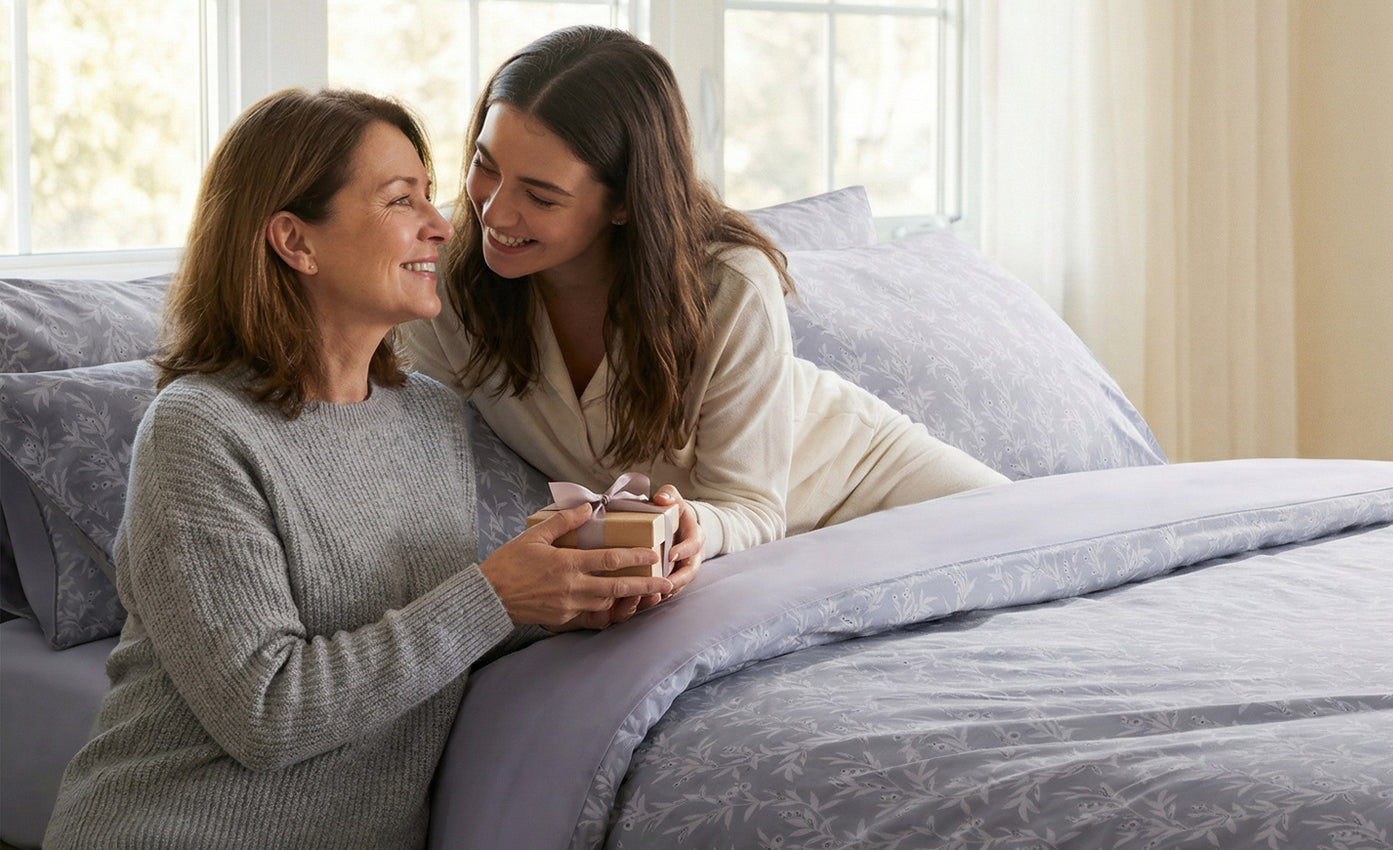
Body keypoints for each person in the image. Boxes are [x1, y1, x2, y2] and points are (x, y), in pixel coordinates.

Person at [41, 89, 679, 849]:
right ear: (295, 242)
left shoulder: (431, 415)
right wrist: (496, 598)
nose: (443, 226)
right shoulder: (200, 432)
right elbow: (267, 714)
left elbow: (421, 637)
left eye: (429, 197)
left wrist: (572, 597)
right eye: (400, 200)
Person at [401, 26, 1007, 600]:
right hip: (738, 566)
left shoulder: (729, 283)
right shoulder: (446, 274)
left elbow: (752, 506)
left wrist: (692, 525)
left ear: (623, 202)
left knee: (1041, 545)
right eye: (486, 165)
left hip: (859, 480)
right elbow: (409, 435)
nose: (494, 213)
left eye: (540, 195)